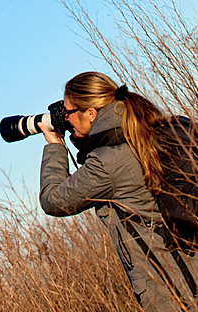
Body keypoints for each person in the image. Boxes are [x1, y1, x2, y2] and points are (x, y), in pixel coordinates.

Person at [39, 71, 198, 311]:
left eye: (69, 112)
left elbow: (54, 201)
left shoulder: (107, 163)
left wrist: (55, 147)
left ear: (91, 113)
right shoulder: (145, 130)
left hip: (173, 289)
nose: (66, 119)